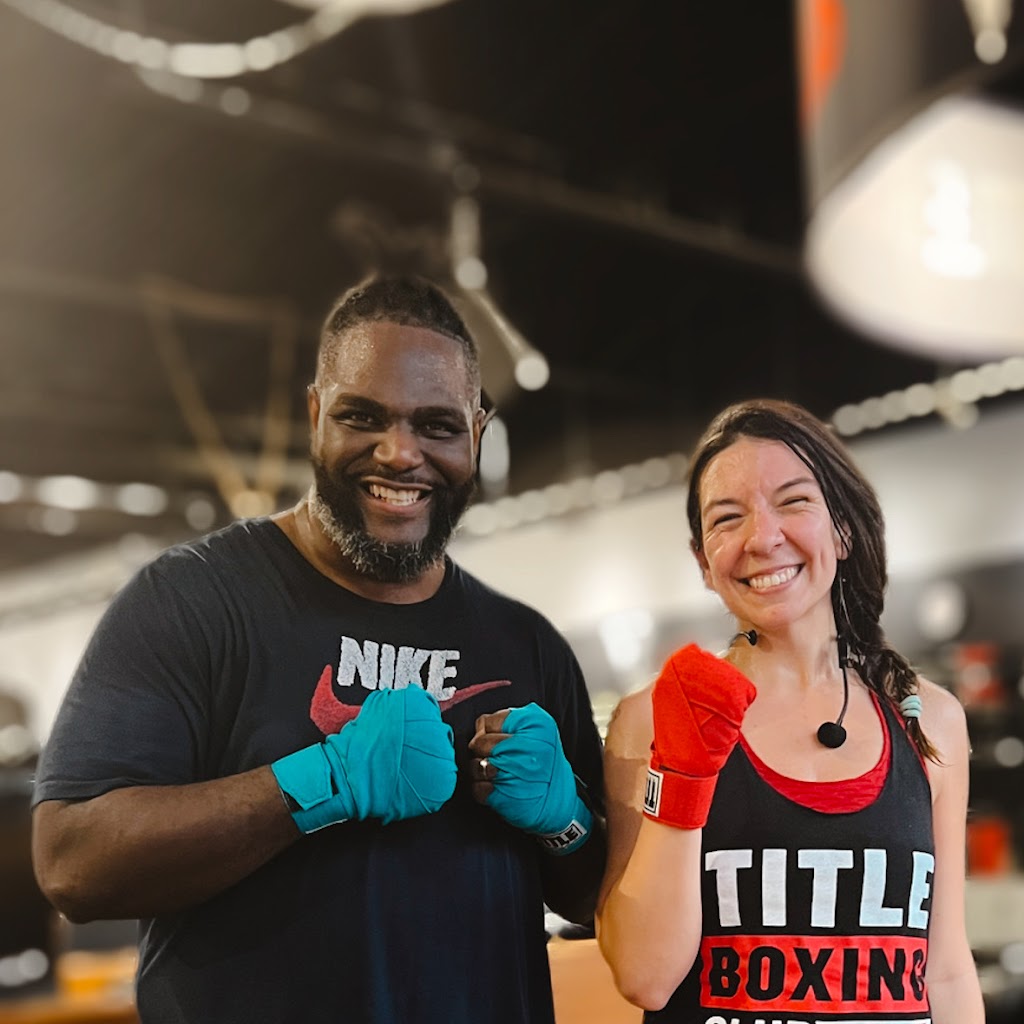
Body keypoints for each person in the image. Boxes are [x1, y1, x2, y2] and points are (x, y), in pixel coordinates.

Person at [31, 274, 606, 1024]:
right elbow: (72, 865)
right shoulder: (193, 602)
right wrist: (319, 781)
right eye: (362, 416)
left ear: (477, 432)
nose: (399, 454)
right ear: (314, 415)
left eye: (437, 425)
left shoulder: (526, 644)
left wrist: (564, 822)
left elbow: (591, 898)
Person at [596, 398, 983, 1023]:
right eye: (728, 518)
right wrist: (684, 772)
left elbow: (946, 968)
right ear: (703, 562)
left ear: (843, 529)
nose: (762, 537)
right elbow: (646, 978)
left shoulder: (928, 718)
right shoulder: (651, 718)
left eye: (794, 501)